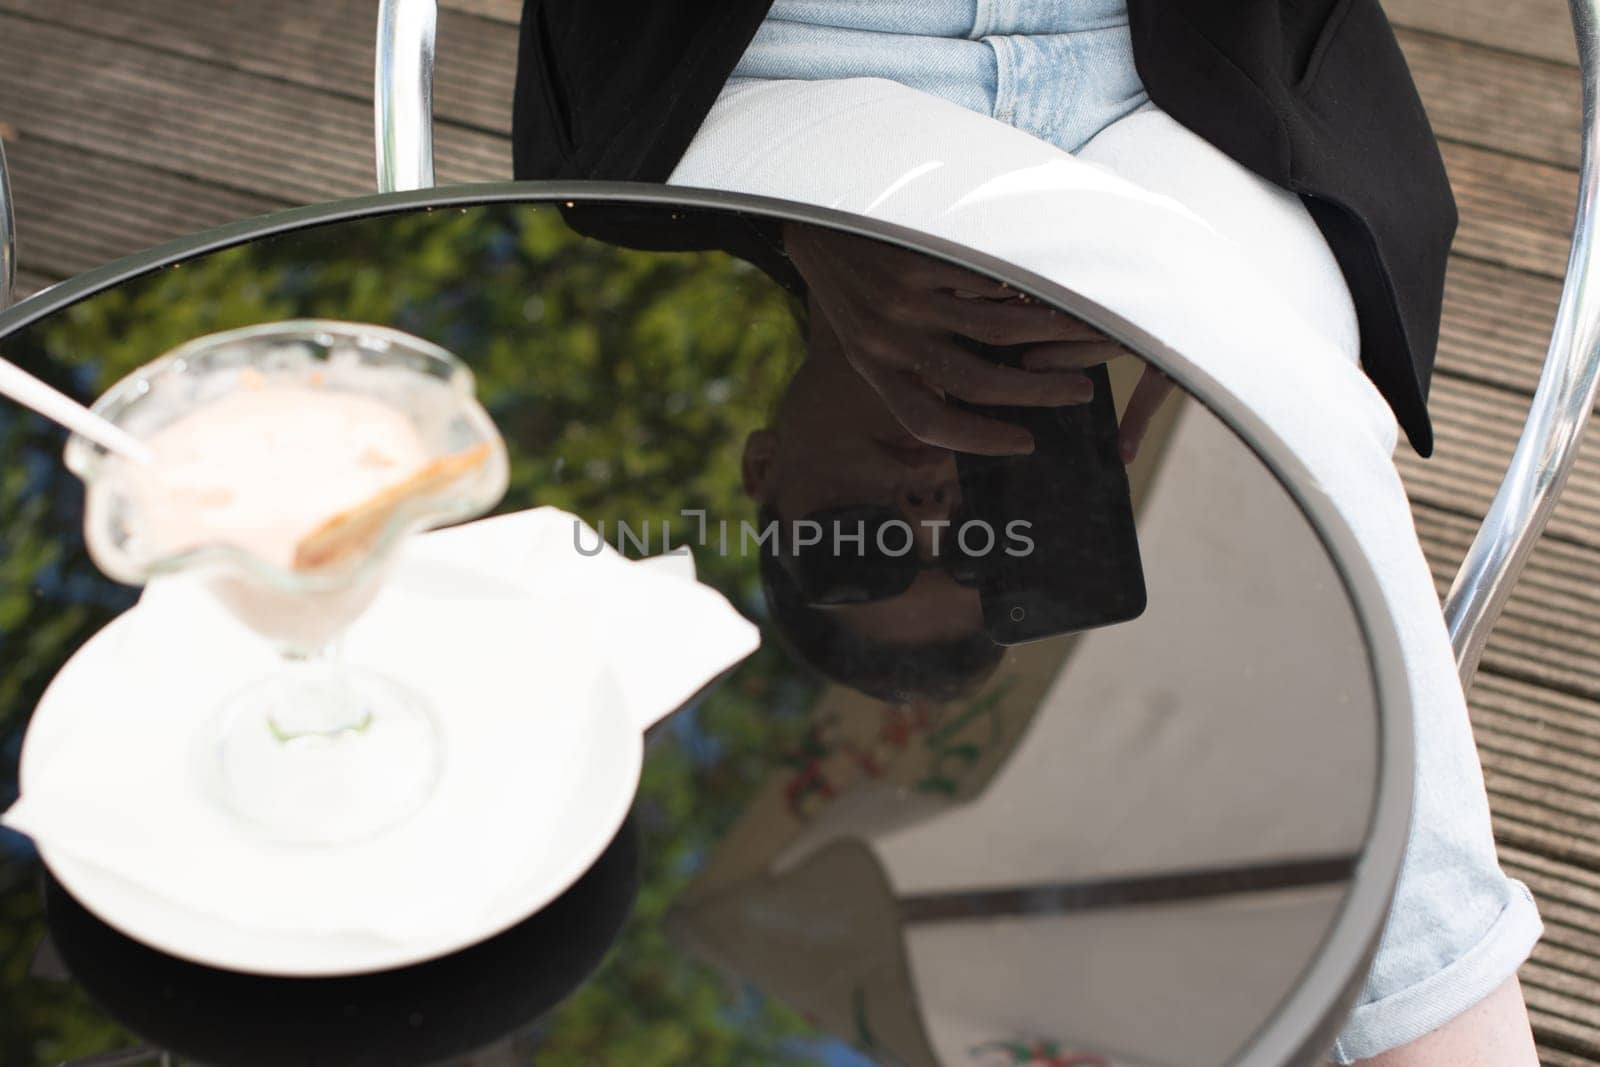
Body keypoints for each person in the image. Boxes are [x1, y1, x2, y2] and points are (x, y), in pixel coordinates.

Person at [513, 3, 1544, 1064]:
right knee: (1279, 429)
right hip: (786, 64)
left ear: (764, 473)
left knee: (1275, 426)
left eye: (861, 545)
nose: (924, 517)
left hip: (1193, 62)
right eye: (977, 548)